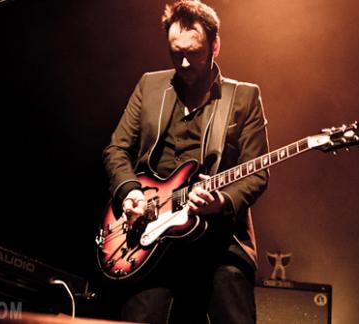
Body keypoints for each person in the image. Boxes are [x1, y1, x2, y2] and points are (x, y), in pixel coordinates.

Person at [102, 1, 269, 323]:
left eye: (194, 52)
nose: (184, 61)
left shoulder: (243, 98)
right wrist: (131, 193)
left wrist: (220, 200)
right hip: (148, 235)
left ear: (215, 46)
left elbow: (257, 173)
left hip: (218, 240)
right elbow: (117, 149)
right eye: (175, 52)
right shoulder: (150, 86)